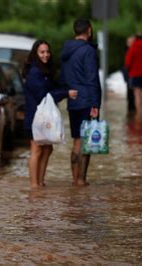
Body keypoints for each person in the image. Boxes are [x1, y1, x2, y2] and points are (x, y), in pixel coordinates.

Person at [22, 40, 77, 188]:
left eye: (47, 52)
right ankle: (35, 185)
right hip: (35, 117)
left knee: (47, 148)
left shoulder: (46, 70)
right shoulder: (34, 71)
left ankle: (40, 183)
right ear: (36, 53)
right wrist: (66, 93)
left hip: (43, 116)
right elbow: (42, 94)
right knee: (37, 149)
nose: (46, 55)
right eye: (42, 52)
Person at [60, 18, 101, 186]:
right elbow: (92, 78)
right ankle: (81, 180)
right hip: (86, 101)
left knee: (77, 140)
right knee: (86, 142)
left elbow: (63, 77)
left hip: (73, 100)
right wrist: (95, 104)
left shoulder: (66, 50)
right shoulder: (88, 51)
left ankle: (74, 179)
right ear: (89, 31)